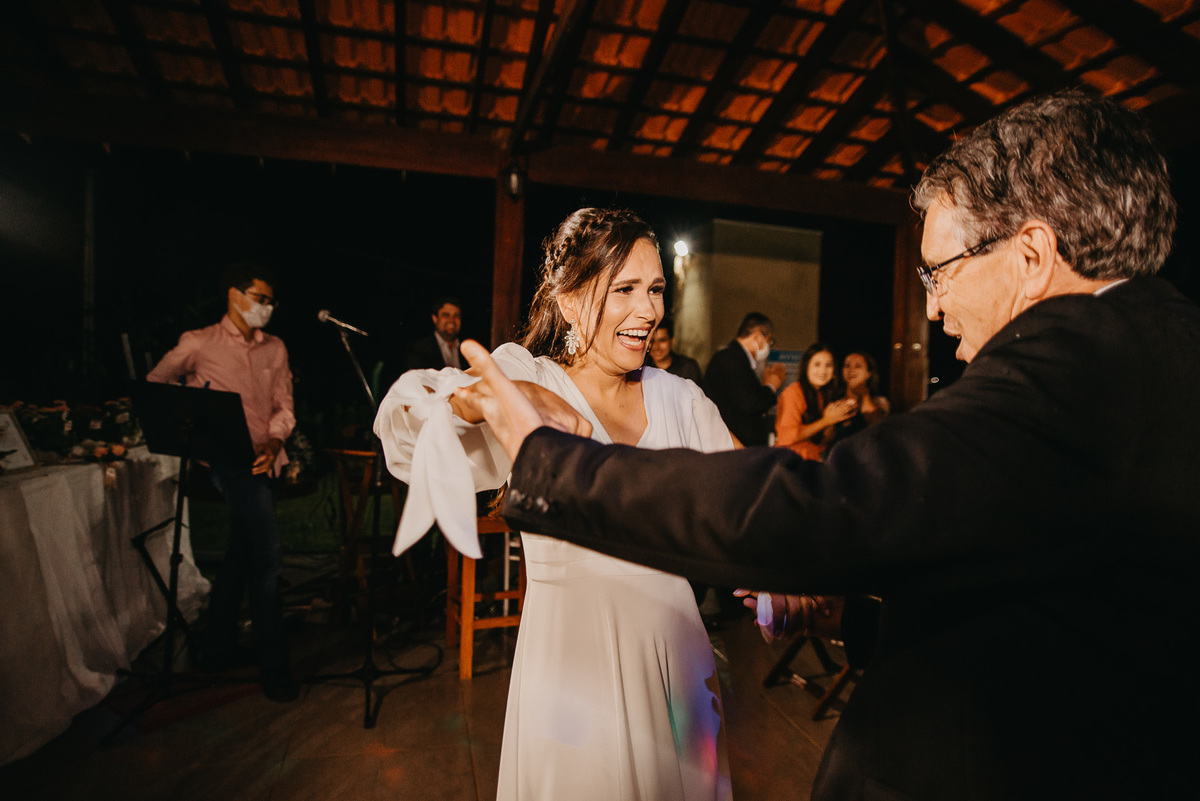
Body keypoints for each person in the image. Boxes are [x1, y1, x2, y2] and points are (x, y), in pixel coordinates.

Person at [451, 90, 1199, 800]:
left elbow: (827, 505)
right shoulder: (1159, 349)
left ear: (1031, 255)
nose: (933, 307)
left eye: (939, 272)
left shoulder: (1075, 367)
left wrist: (554, 464)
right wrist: (854, 619)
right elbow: (1046, 602)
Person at [375, 208, 733, 800]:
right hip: (572, 665)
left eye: (655, 289)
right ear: (568, 300)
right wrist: (489, 399)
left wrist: (779, 583)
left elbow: (751, 505)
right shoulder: (528, 376)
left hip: (676, 661)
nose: (648, 310)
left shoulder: (684, 399)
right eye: (624, 289)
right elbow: (407, 423)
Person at [146, 260, 298, 703]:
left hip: (266, 460)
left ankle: (217, 648)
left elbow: (284, 404)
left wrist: (275, 440)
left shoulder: (275, 348)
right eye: (260, 298)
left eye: (271, 301)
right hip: (228, 462)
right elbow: (157, 385)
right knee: (267, 561)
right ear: (234, 295)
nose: (266, 307)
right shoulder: (199, 343)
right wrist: (196, 424)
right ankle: (275, 667)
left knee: (240, 555)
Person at [702, 312, 787, 445]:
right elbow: (750, 403)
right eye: (769, 340)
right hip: (734, 445)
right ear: (758, 336)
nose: (768, 346)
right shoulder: (730, 359)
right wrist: (771, 386)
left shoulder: (737, 359)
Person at [774, 342, 857, 460]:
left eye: (828, 365)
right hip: (789, 462)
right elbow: (786, 437)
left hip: (811, 461)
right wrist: (826, 421)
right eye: (817, 364)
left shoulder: (822, 395)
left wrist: (833, 424)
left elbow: (819, 444)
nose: (823, 371)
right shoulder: (793, 392)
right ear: (806, 366)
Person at [831, 350, 889, 444]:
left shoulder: (878, 401)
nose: (851, 370)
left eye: (857, 366)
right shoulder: (834, 400)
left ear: (868, 373)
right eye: (847, 365)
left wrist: (865, 395)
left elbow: (879, 430)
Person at [405, 296, 463, 370]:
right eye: (446, 315)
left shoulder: (467, 349)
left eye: (456, 316)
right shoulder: (419, 349)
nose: (451, 320)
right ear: (435, 319)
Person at [644, 316, 703, 383]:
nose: (656, 347)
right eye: (652, 341)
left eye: (662, 340)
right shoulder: (642, 369)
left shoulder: (688, 368)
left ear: (672, 341)